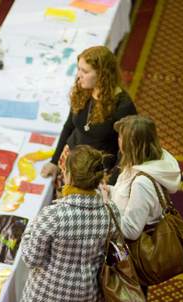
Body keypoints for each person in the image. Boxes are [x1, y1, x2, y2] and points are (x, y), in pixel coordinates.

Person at [20, 145, 121, 302]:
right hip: (89, 295)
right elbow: (115, 249)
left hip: (51, 299)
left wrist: (30, 228)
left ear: (68, 176)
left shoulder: (52, 215)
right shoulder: (111, 210)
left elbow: (31, 259)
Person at [98, 115, 181, 302]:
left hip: (131, 251)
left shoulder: (143, 180)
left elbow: (131, 230)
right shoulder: (137, 163)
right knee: (116, 298)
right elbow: (126, 201)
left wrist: (105, 204)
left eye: (121, 136)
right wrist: (110, 192)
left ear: (132, 142)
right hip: (122, 249)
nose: (118, 140)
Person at [41, 46, 137, 197]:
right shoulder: (83, 90)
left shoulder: (123, 107)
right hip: (72, 159)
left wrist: (111, 186)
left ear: (103, 75)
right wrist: (54, 161)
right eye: (79, 69)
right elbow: (69, 126)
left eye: (85, 72)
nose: (79, 76)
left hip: (97, 172)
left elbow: (125, 153)